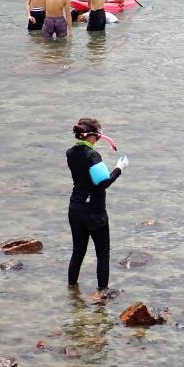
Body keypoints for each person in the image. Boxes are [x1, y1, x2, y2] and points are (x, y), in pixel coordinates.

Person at [66, 118, 130, 290]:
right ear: (92, 136)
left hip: (75, 209)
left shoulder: (70, 153)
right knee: (102, 255)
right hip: (94, 212)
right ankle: (102, 294)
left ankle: (72, 290)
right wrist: (119, 168)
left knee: (78, 253)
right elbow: (103, 183)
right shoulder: (93, 155)